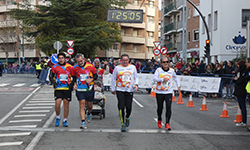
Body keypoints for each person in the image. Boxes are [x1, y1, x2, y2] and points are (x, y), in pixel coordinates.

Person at [111, 54, 139, 132]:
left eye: (126, 60)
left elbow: (136, 77)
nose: (125, 62)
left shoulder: (133, 67)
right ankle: (122, 123)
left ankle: (127, 118)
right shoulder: (117, 68)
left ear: (129, 60)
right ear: (121, 60)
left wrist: (136, 84)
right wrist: (113, 89)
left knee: (129, 107)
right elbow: (113, 78)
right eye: (123, 60)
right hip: (120, 90)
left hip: (129, 90)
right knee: (121, 106)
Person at [153, 57, 181, 131]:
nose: (165, 63)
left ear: (168, 63)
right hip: (159, 92)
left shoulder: (171, 71)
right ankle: (159, 119)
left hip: (168, 92)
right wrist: (162, 79)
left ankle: (167, 123)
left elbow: (176, 78)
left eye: (167, 62)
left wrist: (178, 86)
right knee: (160, 107)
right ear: (161, 63)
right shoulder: (158, 70)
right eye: (164, 62)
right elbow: (154, 78)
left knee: (168, 107)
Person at [72, 53, 98, 129]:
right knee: (82, 104)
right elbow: (74, 77)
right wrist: (74, 84)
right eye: (78, 61)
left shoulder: (90, 66)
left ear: (84, 59)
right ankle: (83, 122)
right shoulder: (75, 67)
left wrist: (91, 79)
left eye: (81, 61)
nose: (80, 63)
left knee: (89, 105)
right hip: (80, 89)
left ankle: (89, 113)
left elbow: (96, 75)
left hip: (89, 88)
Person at [49, 53, 74, 127]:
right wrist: (53, 82)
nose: (61, 59)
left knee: (66, 104)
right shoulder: (55, 67)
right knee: (57, 103)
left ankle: (65, 120)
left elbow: (74, 76)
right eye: (59, 58)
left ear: (65, 58)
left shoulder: (69, 67)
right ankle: (57, 117)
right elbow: (51, 76)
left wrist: (71, 85)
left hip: (67, 88)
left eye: (62, 58)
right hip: (58, 88)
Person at [233, 60, 248, 127]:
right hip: (241, 89)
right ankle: (243, 120)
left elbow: (239, 81)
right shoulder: (242, 72)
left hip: (241, 90)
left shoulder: (243, 72)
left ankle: (244, 121)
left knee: (242, 106)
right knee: (242, 106)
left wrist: (235, 80)